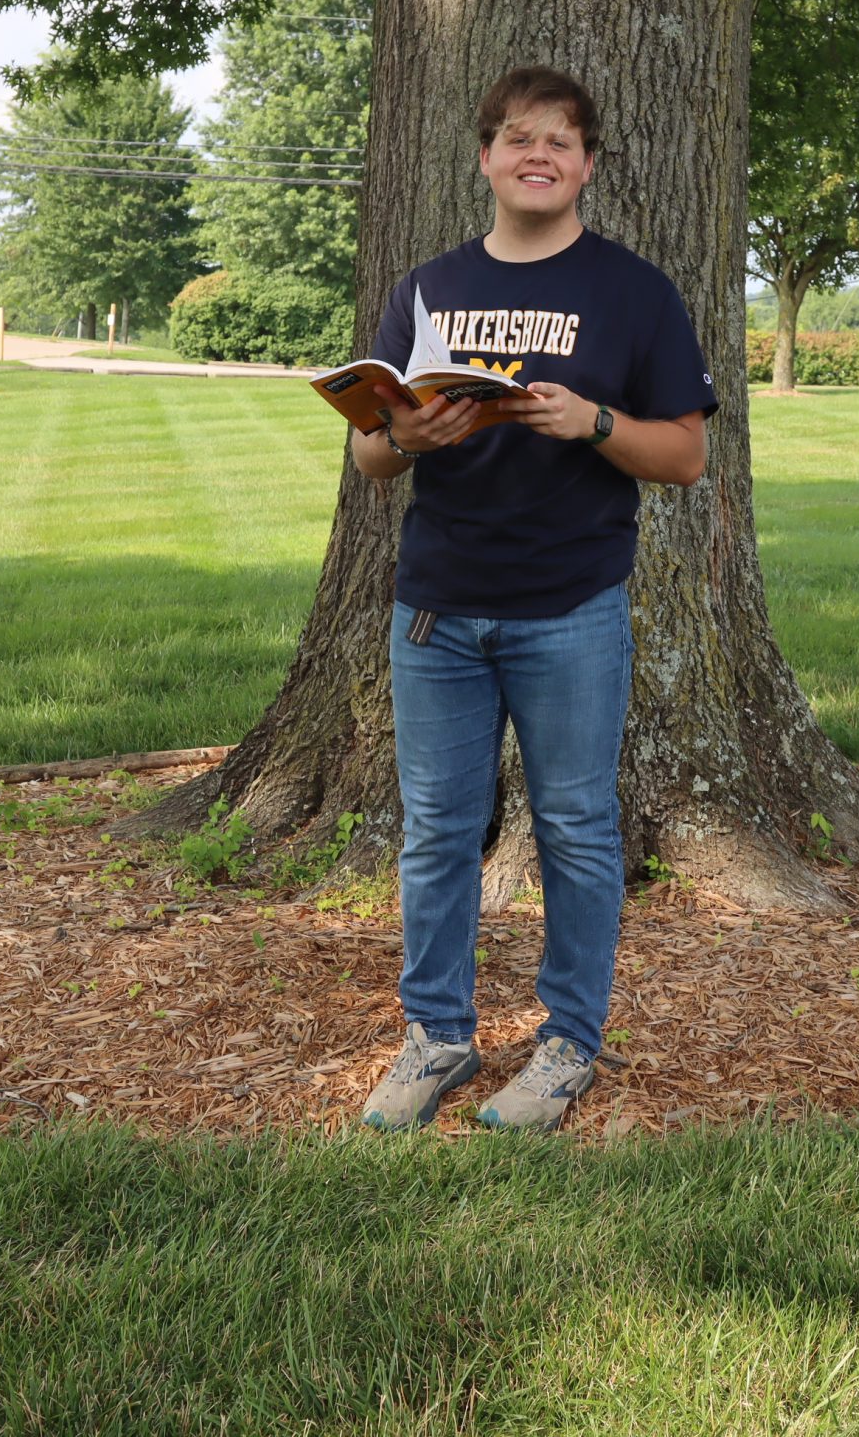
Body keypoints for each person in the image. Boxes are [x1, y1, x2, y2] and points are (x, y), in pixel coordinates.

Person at [355, 65, 719, 1133]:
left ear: (587, 165)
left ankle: (566, 1047)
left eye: (560, 141)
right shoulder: (428, 288)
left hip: (570, 610)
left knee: (573, 828)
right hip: (435, 608)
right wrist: (403, 436)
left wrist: (593, 424)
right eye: (518, 137)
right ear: (485, 158)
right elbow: (373, 457)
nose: (538, 155)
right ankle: (437, 1035)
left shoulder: (633, 291)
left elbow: (688, 456)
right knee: (436, 832)